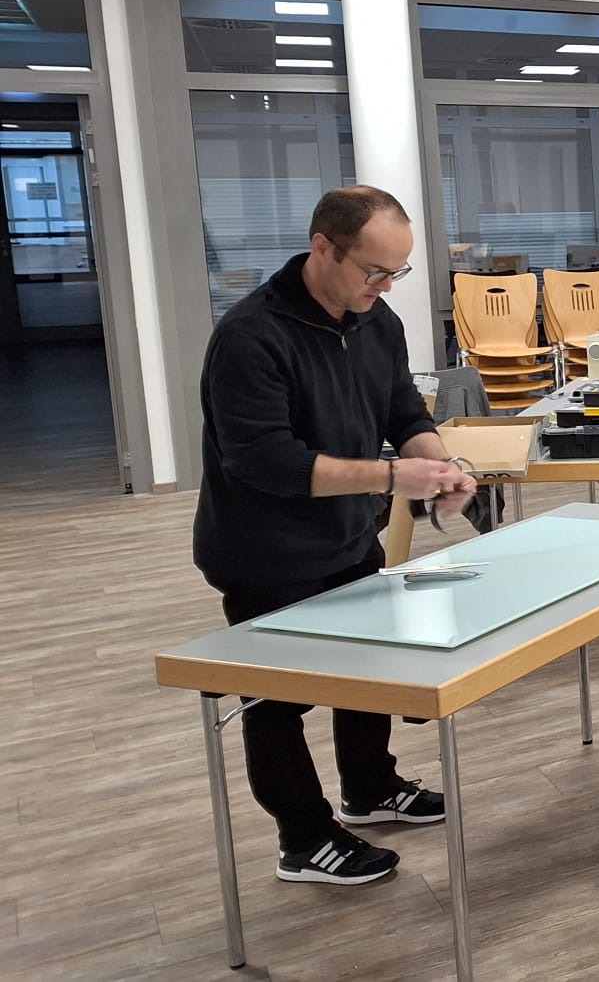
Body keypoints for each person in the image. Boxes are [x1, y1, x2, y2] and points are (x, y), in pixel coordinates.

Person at [193, 185, 477, 886]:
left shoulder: (376, 320)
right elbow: (266, 462)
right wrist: (393, 476)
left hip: (349, 533)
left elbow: (403, 409)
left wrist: (438, 464)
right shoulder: (250, 337)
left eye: (396, 271)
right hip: (264, 551)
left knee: (367, 670)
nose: (385, 287)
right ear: (323, 247)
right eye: (374, 270)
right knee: (277, 701)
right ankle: (303, 839)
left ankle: (370, 788)